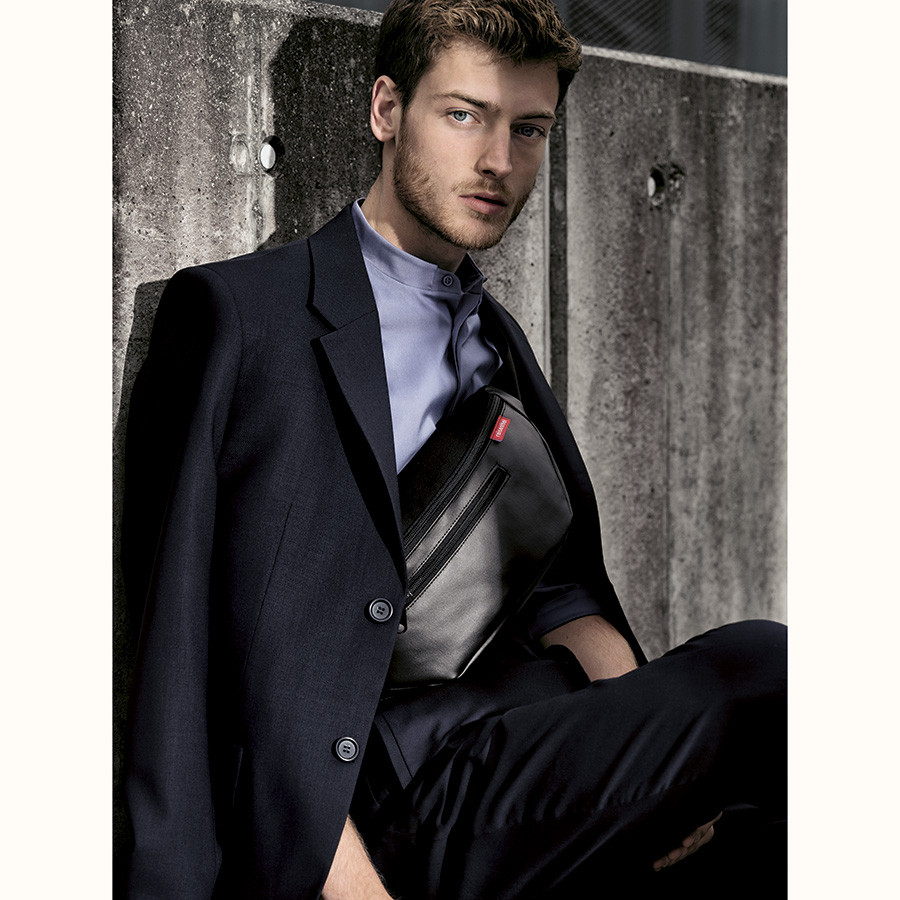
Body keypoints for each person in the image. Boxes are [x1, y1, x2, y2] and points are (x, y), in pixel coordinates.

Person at [121, 1, 786, 897]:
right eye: (466, 115)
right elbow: (181, 643)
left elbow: (562, 588)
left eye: (529, 129)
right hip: (371, 805)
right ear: (386, 109)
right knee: (770, 669)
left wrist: (658, 774)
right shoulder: (244, 317)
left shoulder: (497, 340)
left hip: (520, 752)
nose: (499, 161)